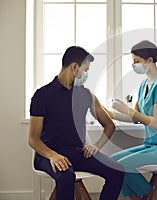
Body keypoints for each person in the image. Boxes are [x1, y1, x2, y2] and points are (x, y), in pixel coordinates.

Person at [28, 46, 124, 200]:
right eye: (85, 70)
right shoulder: (42, 95)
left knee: (117, 170)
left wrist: (96, 146)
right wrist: (53, 155)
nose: (86, 74)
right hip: (48, 154)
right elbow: (33, 139)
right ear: (74, 67)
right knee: (67, 176)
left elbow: (109, 125)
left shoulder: (86, 94)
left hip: (77, 152)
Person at [107, 40, 157, 200]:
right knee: (111, 163)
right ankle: (145, 197)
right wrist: (110, 114)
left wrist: (127, 109)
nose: (133, 64)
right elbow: (136, 118)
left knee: (123, 165)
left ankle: (149, 196)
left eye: (136, 61)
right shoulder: (145, 84)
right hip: (153, 144)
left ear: (150, 61)